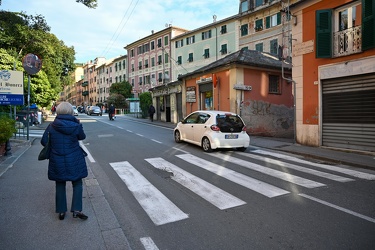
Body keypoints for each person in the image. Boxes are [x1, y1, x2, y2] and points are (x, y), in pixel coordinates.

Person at [41, 102, 88, 221]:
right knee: (77, 183)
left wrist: (54, 146)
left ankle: (61, 211)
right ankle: (76, 210)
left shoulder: (52, 126)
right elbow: (82, 137)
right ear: (71, 111)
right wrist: (79, 125)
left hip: (57, 159)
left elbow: (43, 141)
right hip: (74, 159)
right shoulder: (76, 125)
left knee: (60, 184)